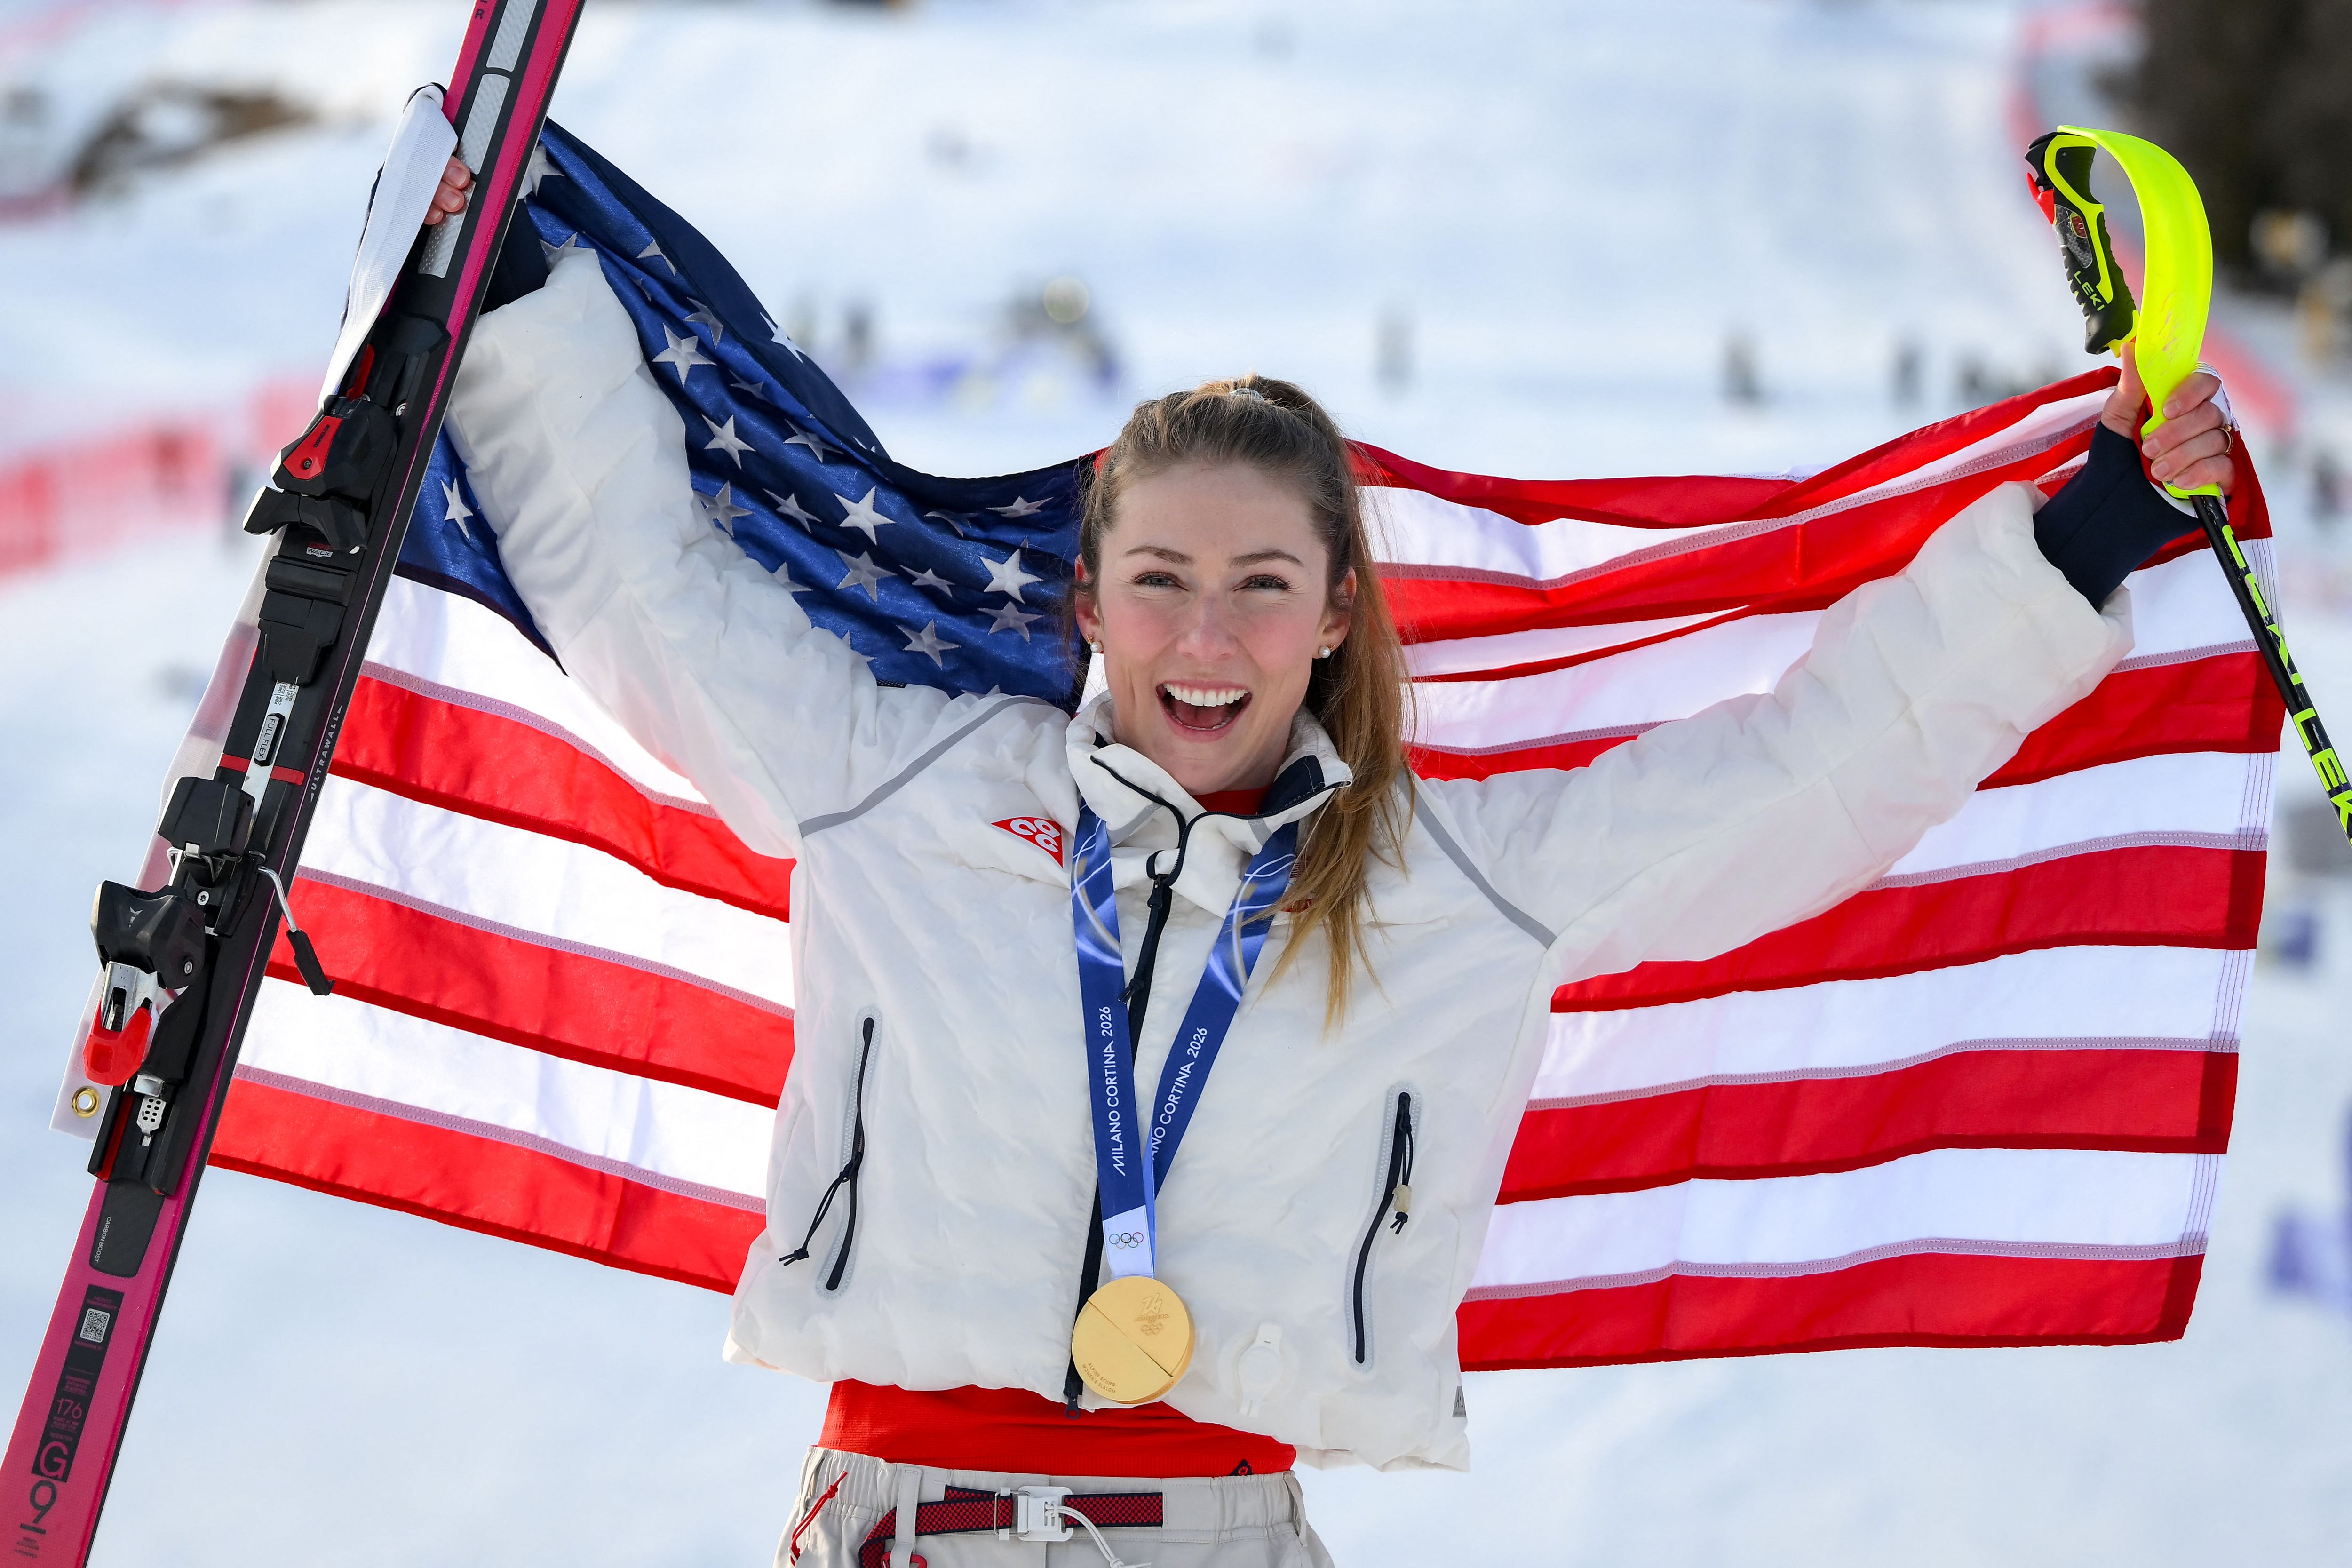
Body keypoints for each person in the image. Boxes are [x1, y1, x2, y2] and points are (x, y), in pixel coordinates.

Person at [425, 161, 2235, 1567]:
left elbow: (1796, 776)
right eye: (1160, 580)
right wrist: (512, 304)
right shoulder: (898, 782)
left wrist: (2077, 545)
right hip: (898, 1519)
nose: (1204, 638)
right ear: (1090, 599)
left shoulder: (1450, 880)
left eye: (1261, 585)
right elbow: (651, 591)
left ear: (1333, 614)